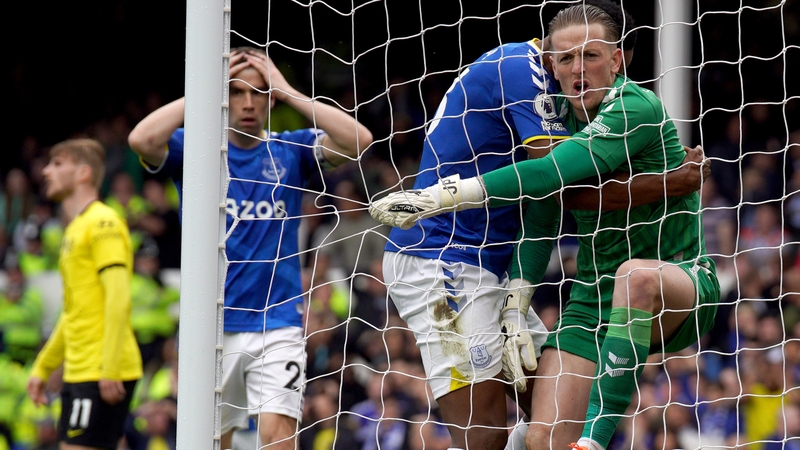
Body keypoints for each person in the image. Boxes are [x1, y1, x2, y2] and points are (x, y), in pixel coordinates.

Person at [370, 5, 720, 450]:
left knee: (636, 276)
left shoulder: (632, 105)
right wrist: (518, 303)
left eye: (591, 56)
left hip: (676, 284)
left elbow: (549, 177)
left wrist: (439, 196)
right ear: (550, 62)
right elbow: (546, 205)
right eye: (567, 59)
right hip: (559, 290)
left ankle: (593, 440)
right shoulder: (550, 102)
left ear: (617, 60)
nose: (578, 70)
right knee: (542, 437)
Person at [127, 46, 373, 450]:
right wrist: (204, 90)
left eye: (258, 93)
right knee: (211, 442)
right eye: (236, 92)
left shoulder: (289, 149)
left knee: (278, 438)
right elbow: (141, 138)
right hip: (210, 326)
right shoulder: (197, 149)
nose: (247, 102)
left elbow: (359, 140)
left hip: (277, 324)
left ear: (269, 99)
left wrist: (288, 90)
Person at [26, 138, 143, 450]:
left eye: (58, 163)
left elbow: (119, 298)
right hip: (81, 369)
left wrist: (109, 368)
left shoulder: (103, 222)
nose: (47, 171)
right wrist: (43, 367)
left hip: (100, 369)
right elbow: (73, 311)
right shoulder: (74, 229)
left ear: (83, 173)